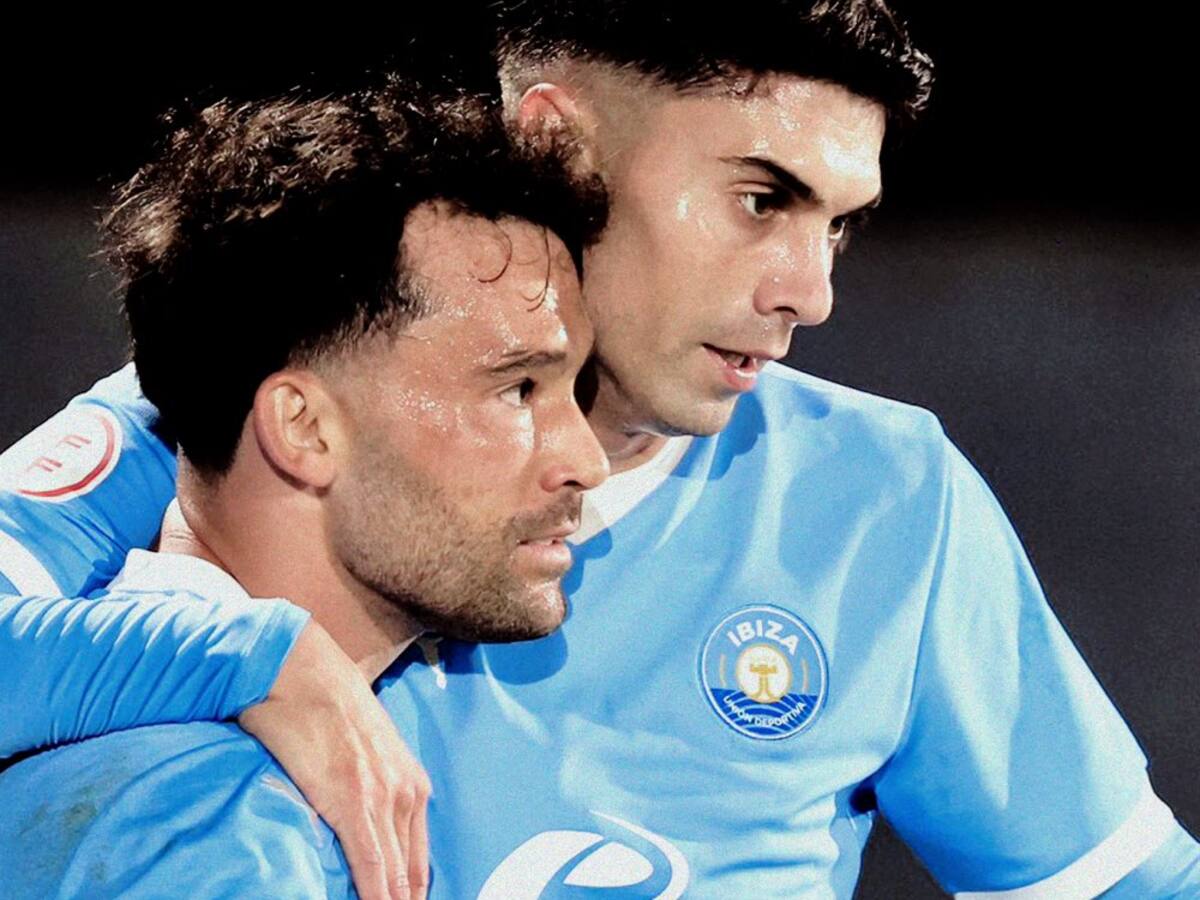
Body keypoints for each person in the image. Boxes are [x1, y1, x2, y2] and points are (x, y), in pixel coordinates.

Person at [2, 2, 1198, 896]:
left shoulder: (884, 497)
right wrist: (258, 655)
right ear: (561, 145)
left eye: (840, 224)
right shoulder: (274, 403)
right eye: (760, 199)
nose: (810, 290)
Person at [0, 76, 609, 899]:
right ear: (304, 428)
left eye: (577, 388)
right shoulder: (209, 825)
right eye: (518, 389)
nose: (586, 460)